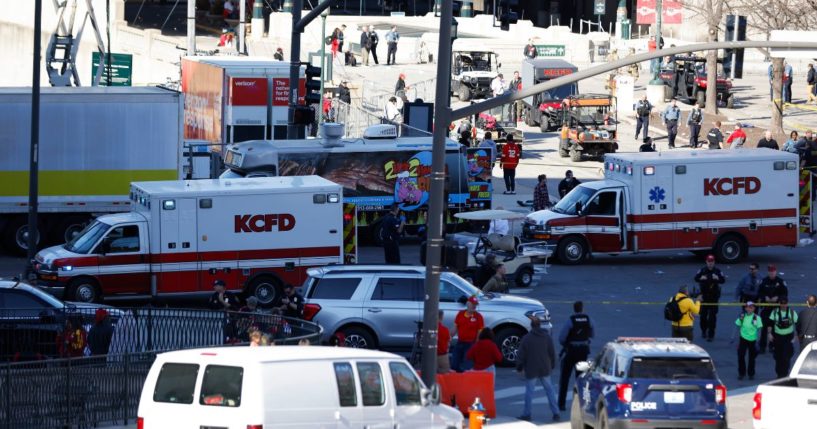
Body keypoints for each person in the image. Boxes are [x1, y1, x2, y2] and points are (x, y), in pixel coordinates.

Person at [516, 317, 560, 422]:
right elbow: (552, 352)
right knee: (550, 391)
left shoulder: (527, 338)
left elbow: (521, 355)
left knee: (529, 393)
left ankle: (527, 414)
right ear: (540, 325)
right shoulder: (547, 337)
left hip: (531, 369)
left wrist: (519, 367)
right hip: (545, 368)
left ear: (531, 326)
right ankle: (556, 413)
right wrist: (552, 364)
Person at [557, 301, 594, 411]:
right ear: (582, 309)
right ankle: (583, 404)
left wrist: (567, 344)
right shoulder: (588, 319)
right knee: (582, 379)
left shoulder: (571, 320)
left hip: (571, 352)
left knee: (564, 378)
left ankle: (561, 404)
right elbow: (592, 334)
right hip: (583, 352)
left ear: (574, 309)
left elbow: (561, 338)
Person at [694, 255, 725, 341]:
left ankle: (711, 335)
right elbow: (695, 278)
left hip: (714, 297)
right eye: (709, 262)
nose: (710, 263)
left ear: (714, 262)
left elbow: (723, 280)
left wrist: (718, 278)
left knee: (712, 317)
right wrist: (701, 278)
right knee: (703, 316)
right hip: (704, 297)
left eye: (712, 262)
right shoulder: (702, 270)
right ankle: (704, 331)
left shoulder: (717, 271)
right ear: (706, 262)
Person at [758, 265, 788, 353]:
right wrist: (764, 298)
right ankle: (762, 347)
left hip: (776, 310)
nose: (771, 273)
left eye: (773, 271)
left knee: (775, 329)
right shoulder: (764, 281)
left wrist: (778, 298)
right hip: (766, 309)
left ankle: (773, 346)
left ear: (776, 272)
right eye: (770, 272)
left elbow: (785, 294)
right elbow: (759, 293)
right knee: (764, 329)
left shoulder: (781, 282)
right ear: (768, 272)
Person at [451, 296, 484, 372]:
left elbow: (480, 332)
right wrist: (449, 336)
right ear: (468, 304)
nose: (474, 306)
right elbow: (455, 327)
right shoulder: (460, 314)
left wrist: (476, 345)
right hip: (460, 342)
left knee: (467, 366)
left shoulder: (478, 317)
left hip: (470, 344)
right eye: (473, 304)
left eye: (475, 304)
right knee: (454, 364)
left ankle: (465, 380)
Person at [733, 302, 763, 380]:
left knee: (752, 358)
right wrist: (741, 318)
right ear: (745, 308)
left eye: (751, 307)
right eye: (748, 307)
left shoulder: (756, 317)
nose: (749, 309)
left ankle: (751, 373)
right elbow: (737, 325)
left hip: (753, 340)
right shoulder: (743, 316)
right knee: (741, 356)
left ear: (754, 309)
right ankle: (741, 373)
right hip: (743, 339)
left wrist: (758, 340)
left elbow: (759, 328)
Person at [769, 298, 798, 378]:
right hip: (777, 337)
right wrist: (769, 334)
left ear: (787, 303)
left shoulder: (792, 313)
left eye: (785, 303)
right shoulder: (774, 312)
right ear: (779, 304)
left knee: (786, 356)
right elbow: (770, 324)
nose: (783, 305)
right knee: (778, 356)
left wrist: (796, 336)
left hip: (788, 337)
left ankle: (785, 373)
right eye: (782, 303)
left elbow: (798, 325)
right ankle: (779, 373)